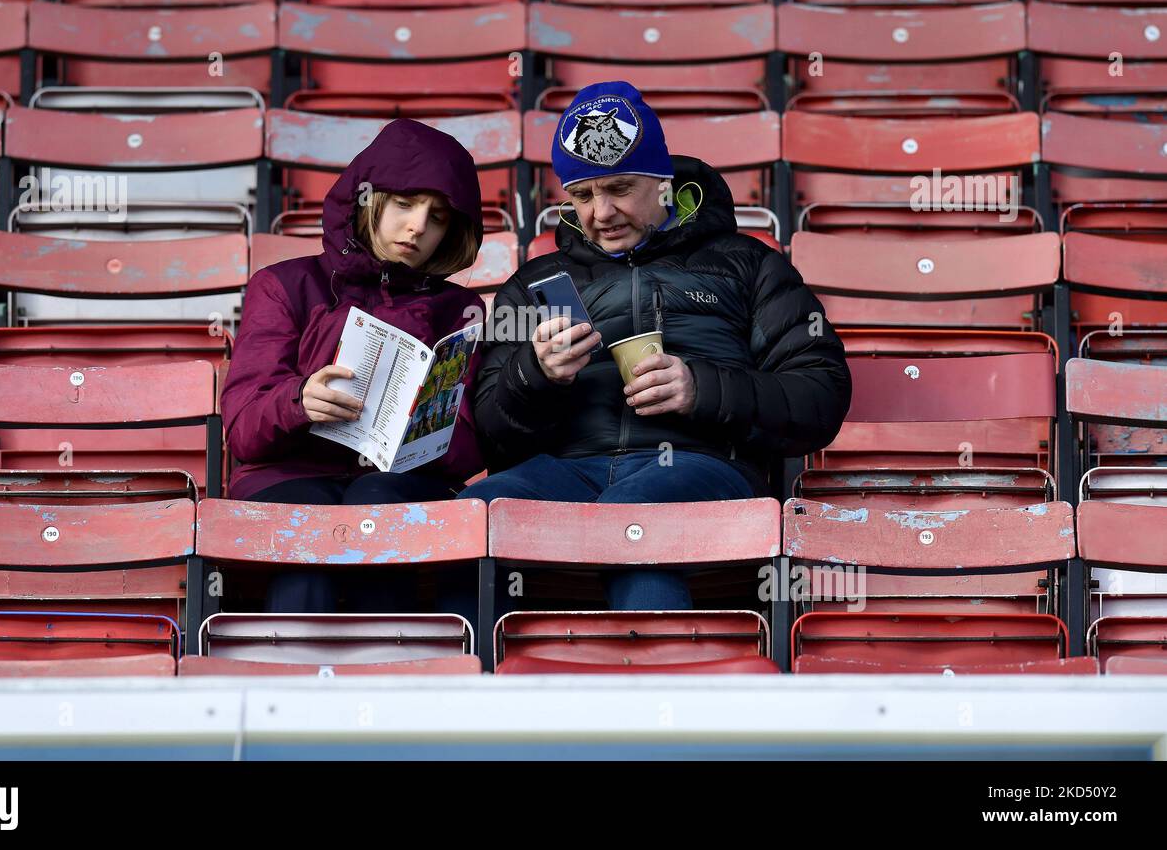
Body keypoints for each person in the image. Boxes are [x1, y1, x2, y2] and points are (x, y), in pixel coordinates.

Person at [458, 81, 852, 611]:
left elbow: (820, 395)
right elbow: (491, 434)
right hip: (570, 467)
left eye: (619, 189)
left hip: (704, 464)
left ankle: (655, 689)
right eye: (581, 195)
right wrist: (535, 376)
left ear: (662, 182)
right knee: (470, 514)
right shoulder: (536, 281)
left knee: (635, 516)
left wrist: (702, 389)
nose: (600, 213)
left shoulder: (749, 264)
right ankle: (471, 686)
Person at [221, 118, 485, 614]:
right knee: (314, 529)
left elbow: (469, 447)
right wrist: (300, 401)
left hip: (397, 480)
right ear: (369, 201)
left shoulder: (459, 309)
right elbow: (242, 430)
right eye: (404, 204)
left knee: (380, 503)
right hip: (289, 473)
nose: (418, 227)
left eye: (439, 216)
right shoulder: (284, 285)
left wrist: (427, 428)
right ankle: (293, 673)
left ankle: (389, 674)